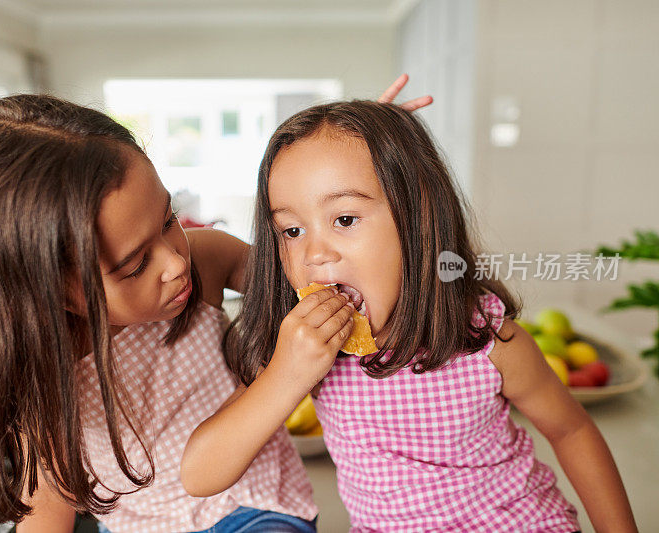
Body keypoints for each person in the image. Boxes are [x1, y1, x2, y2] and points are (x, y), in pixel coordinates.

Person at [0, 79, 432, 533]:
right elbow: (47, 513)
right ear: (44, 290)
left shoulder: (203, 262)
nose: (174, 261)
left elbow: (308, 272)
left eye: (169, 219)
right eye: (132, 265)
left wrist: (362, 178)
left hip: (257, 508)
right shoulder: (41, 376)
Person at [181, 101, 638, 532]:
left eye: (344, 220)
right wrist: (285, 374)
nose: (315, 252)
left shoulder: (485, 338)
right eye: (292, 230)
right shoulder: (299, 353)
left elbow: (572, 429)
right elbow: (200, 475)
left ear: (416, 221)